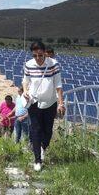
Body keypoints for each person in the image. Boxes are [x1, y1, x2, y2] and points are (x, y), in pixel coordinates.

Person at [23, 41, 65, 172]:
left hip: (50, 103)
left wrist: (61, 103)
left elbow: (58, 85)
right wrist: (25, 91)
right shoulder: (29, 65)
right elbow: (25, 80)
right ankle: (37, 160)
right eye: (35, 55)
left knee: (47, 131)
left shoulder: (53, 64)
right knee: (35, 130)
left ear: (45, 53)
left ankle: (42, 146)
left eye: (40, 55)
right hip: (34, 102)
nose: (38, 58)